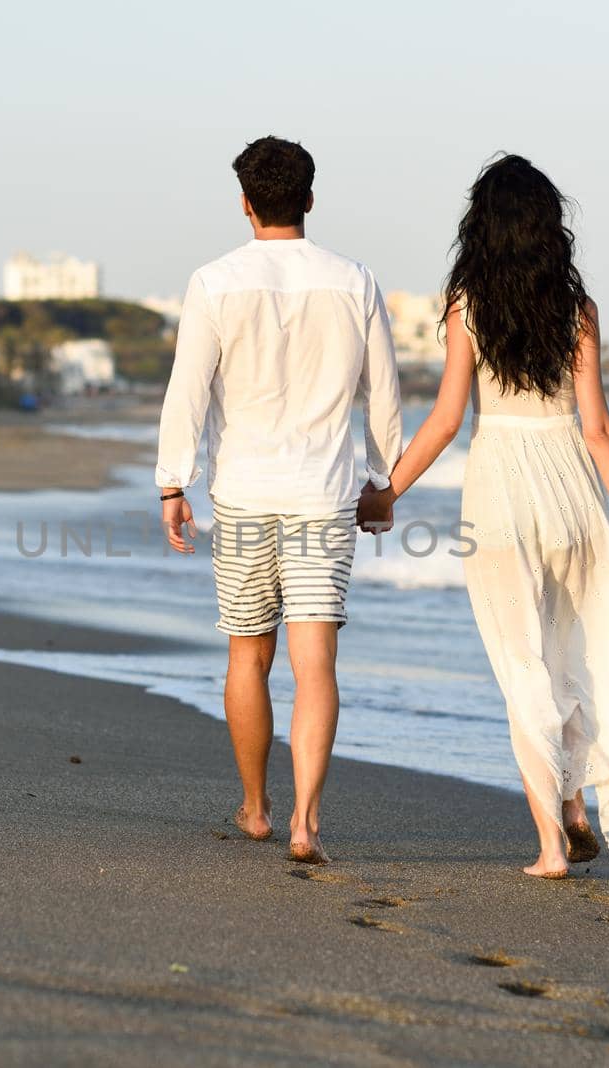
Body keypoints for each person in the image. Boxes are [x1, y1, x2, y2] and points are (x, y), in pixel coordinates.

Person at [359, 154, 609, 878]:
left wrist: (388, 492)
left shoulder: (467, 305)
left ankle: (552, 845)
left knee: (522, 663)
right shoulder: (578, 311)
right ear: (549, 227)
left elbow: (445, 419)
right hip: (574, 496)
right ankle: (578, 805)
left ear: (482, 228)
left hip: (500, 492)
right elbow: (598, 430)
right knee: (576, 654)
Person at [157, 135, 403, 864]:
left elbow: (188, 390)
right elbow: (384, 393)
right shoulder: (354, 279)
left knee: (247, 654)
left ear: (244, 202)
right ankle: (307, 823)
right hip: (324, 493)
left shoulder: (214, 281)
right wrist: (385, 483)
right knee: (316, 661)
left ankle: (257, 808)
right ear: (311, 198)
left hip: (242, 491)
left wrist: (174, 481)